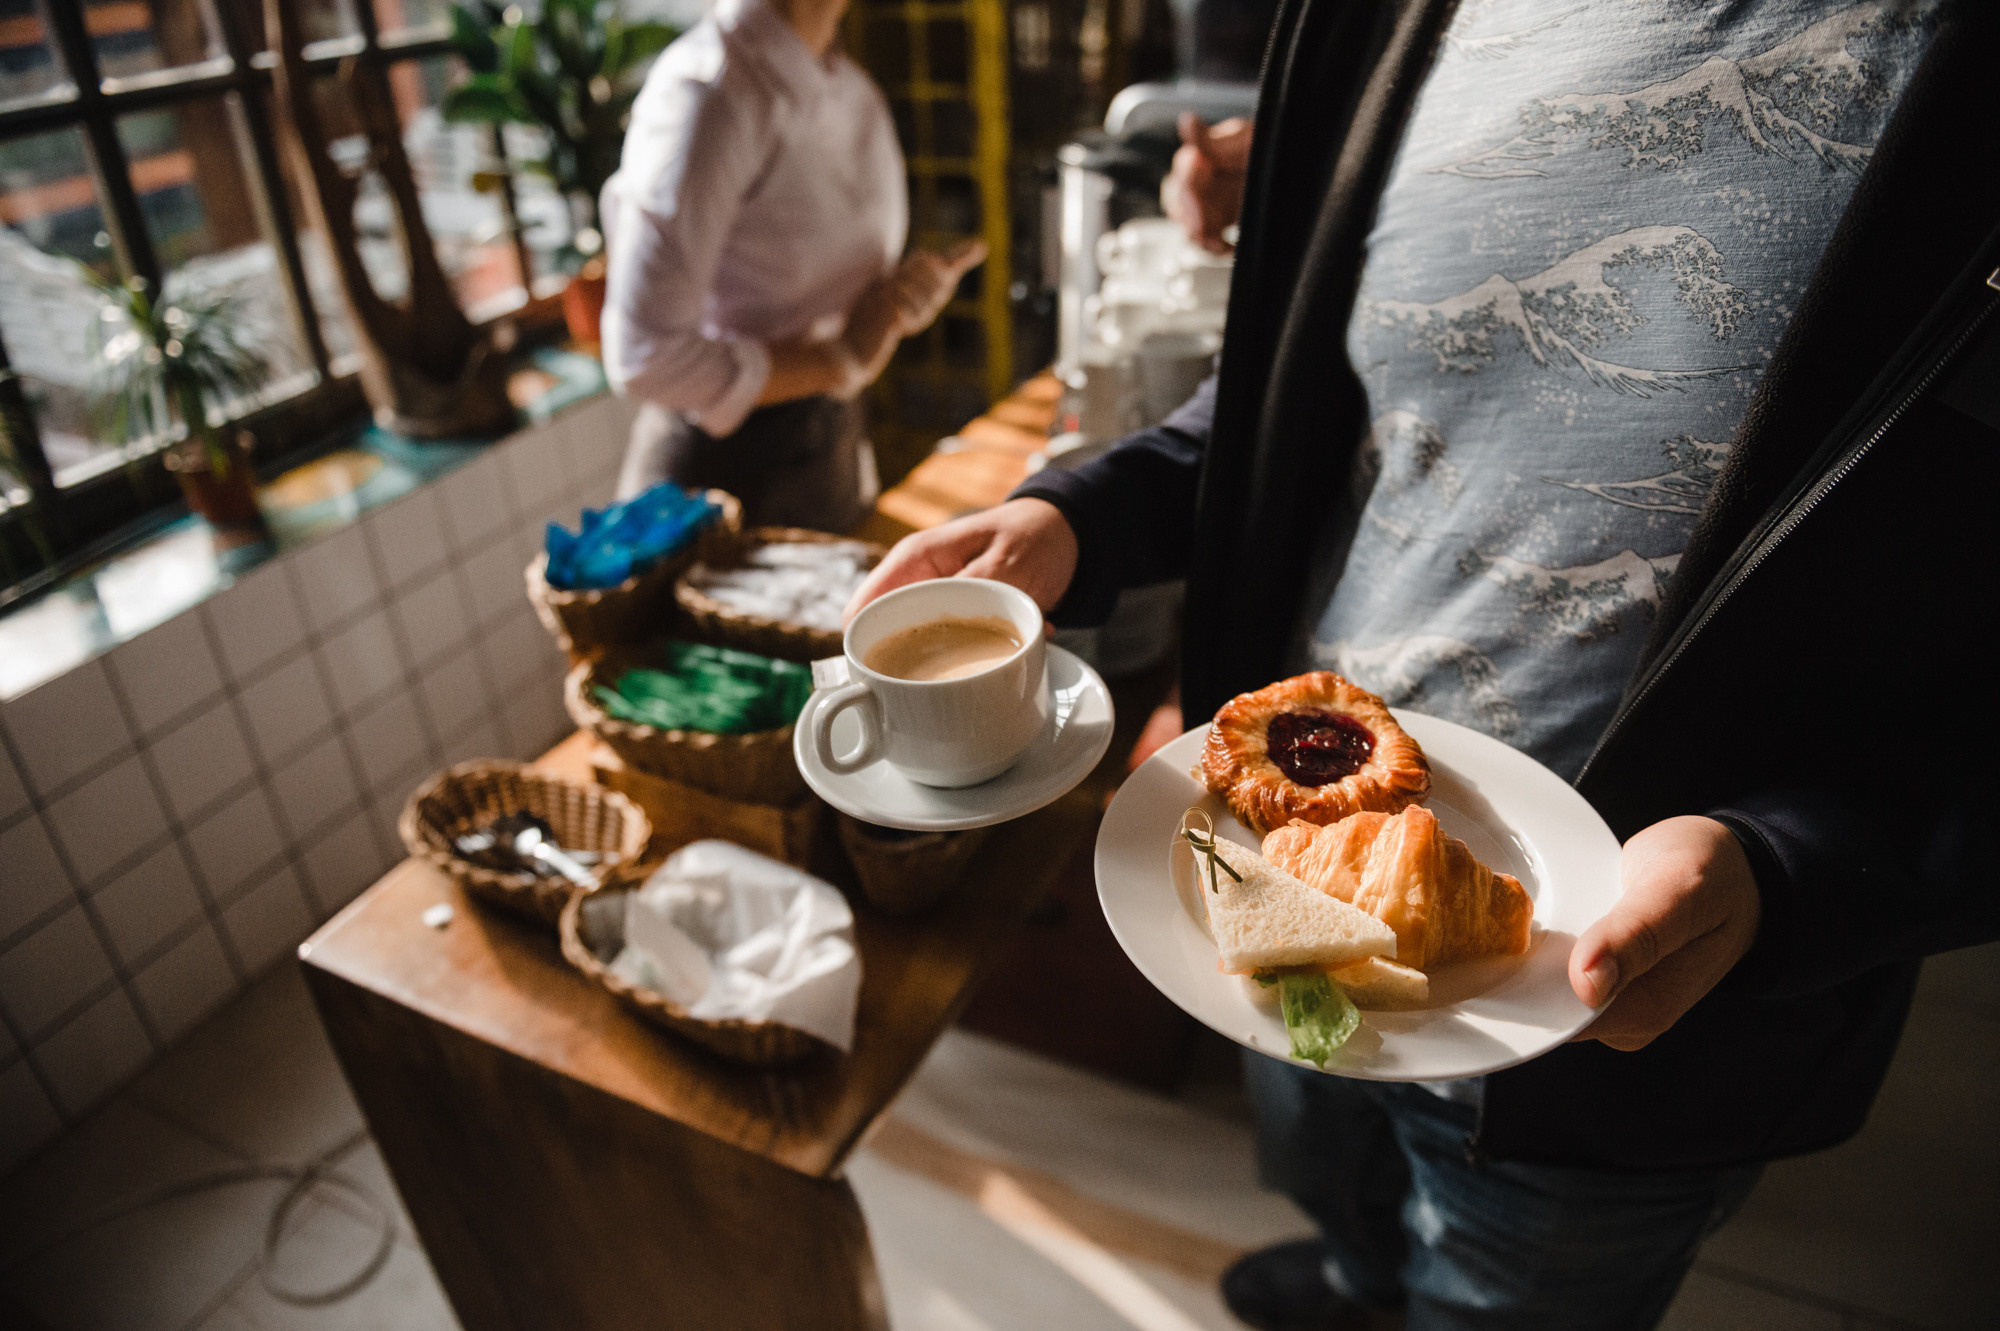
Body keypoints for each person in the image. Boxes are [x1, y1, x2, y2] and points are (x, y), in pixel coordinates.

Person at [850, 1, 2000, 1326]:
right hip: (1287, 884)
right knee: (1321, 1163)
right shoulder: (1384, 19)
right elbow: (1314, 381)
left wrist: (1796, 862)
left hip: (1633, 1027)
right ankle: (1354, 1272)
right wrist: (1090, 510)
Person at [600, 0, 985, 531]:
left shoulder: (844, 80)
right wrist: (841, 356)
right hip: (719, 478)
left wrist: (893, 302)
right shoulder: (709, 95)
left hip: (824, 441)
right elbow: (646, 355)